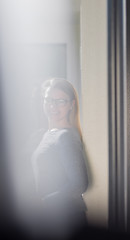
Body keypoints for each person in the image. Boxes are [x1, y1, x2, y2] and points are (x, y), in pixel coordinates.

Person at [27, 78, 89, 240]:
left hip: (67, 219)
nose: (53, 106)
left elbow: (79, 184)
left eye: (60, 101)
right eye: (49, 99)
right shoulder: (48, 133)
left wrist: (43, 202)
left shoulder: (65, 137)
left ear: (71, 105)